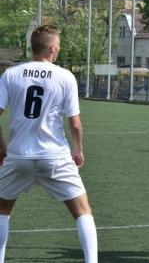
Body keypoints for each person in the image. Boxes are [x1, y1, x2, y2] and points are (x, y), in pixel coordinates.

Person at [0, 25, 98, 263]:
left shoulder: (11, 74)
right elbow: (74, 123)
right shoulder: (65, 76)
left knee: (2, 210)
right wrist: (78, 150)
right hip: (54, 156)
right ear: (53, 48)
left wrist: (2, 147)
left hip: (19, 155)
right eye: (59, 45)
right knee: (82, 211)